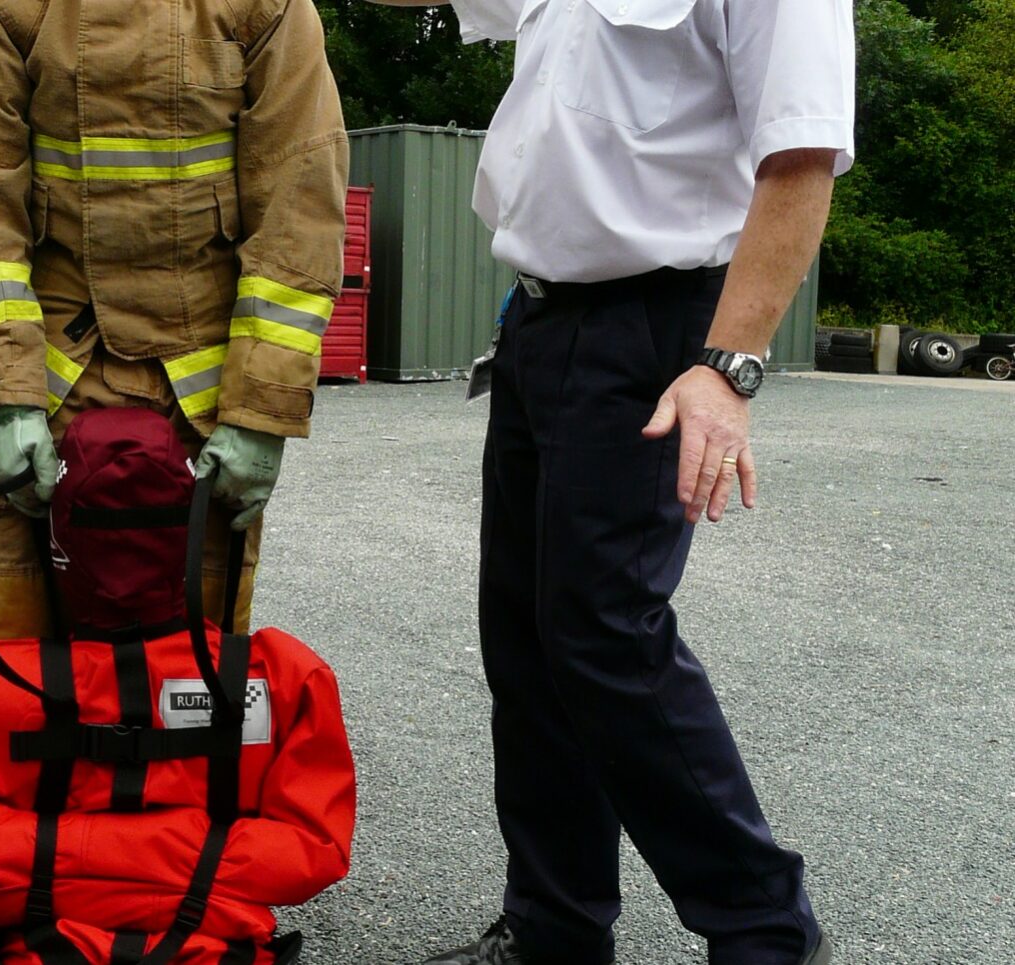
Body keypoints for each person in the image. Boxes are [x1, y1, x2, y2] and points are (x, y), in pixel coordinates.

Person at [364, 0, 855, 962]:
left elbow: (798, 158)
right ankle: (555, 928)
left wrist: (729, 365)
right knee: (527, 637)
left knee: (604, 635)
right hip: (541, 323)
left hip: (658, 330)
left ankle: (766, 935)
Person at [0, 0, 348, 640]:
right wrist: (8, 401)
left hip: (199, 416)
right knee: (21, 684)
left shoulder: (269, 6)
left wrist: (261, 414)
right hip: (47, 394)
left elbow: (299, 209)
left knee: (192, 689)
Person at [0, 408, 356, 964]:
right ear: (191, 533)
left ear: (54, 536)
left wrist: (21, 850)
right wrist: (195, 868)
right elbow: (313, 850)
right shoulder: (285, 679)